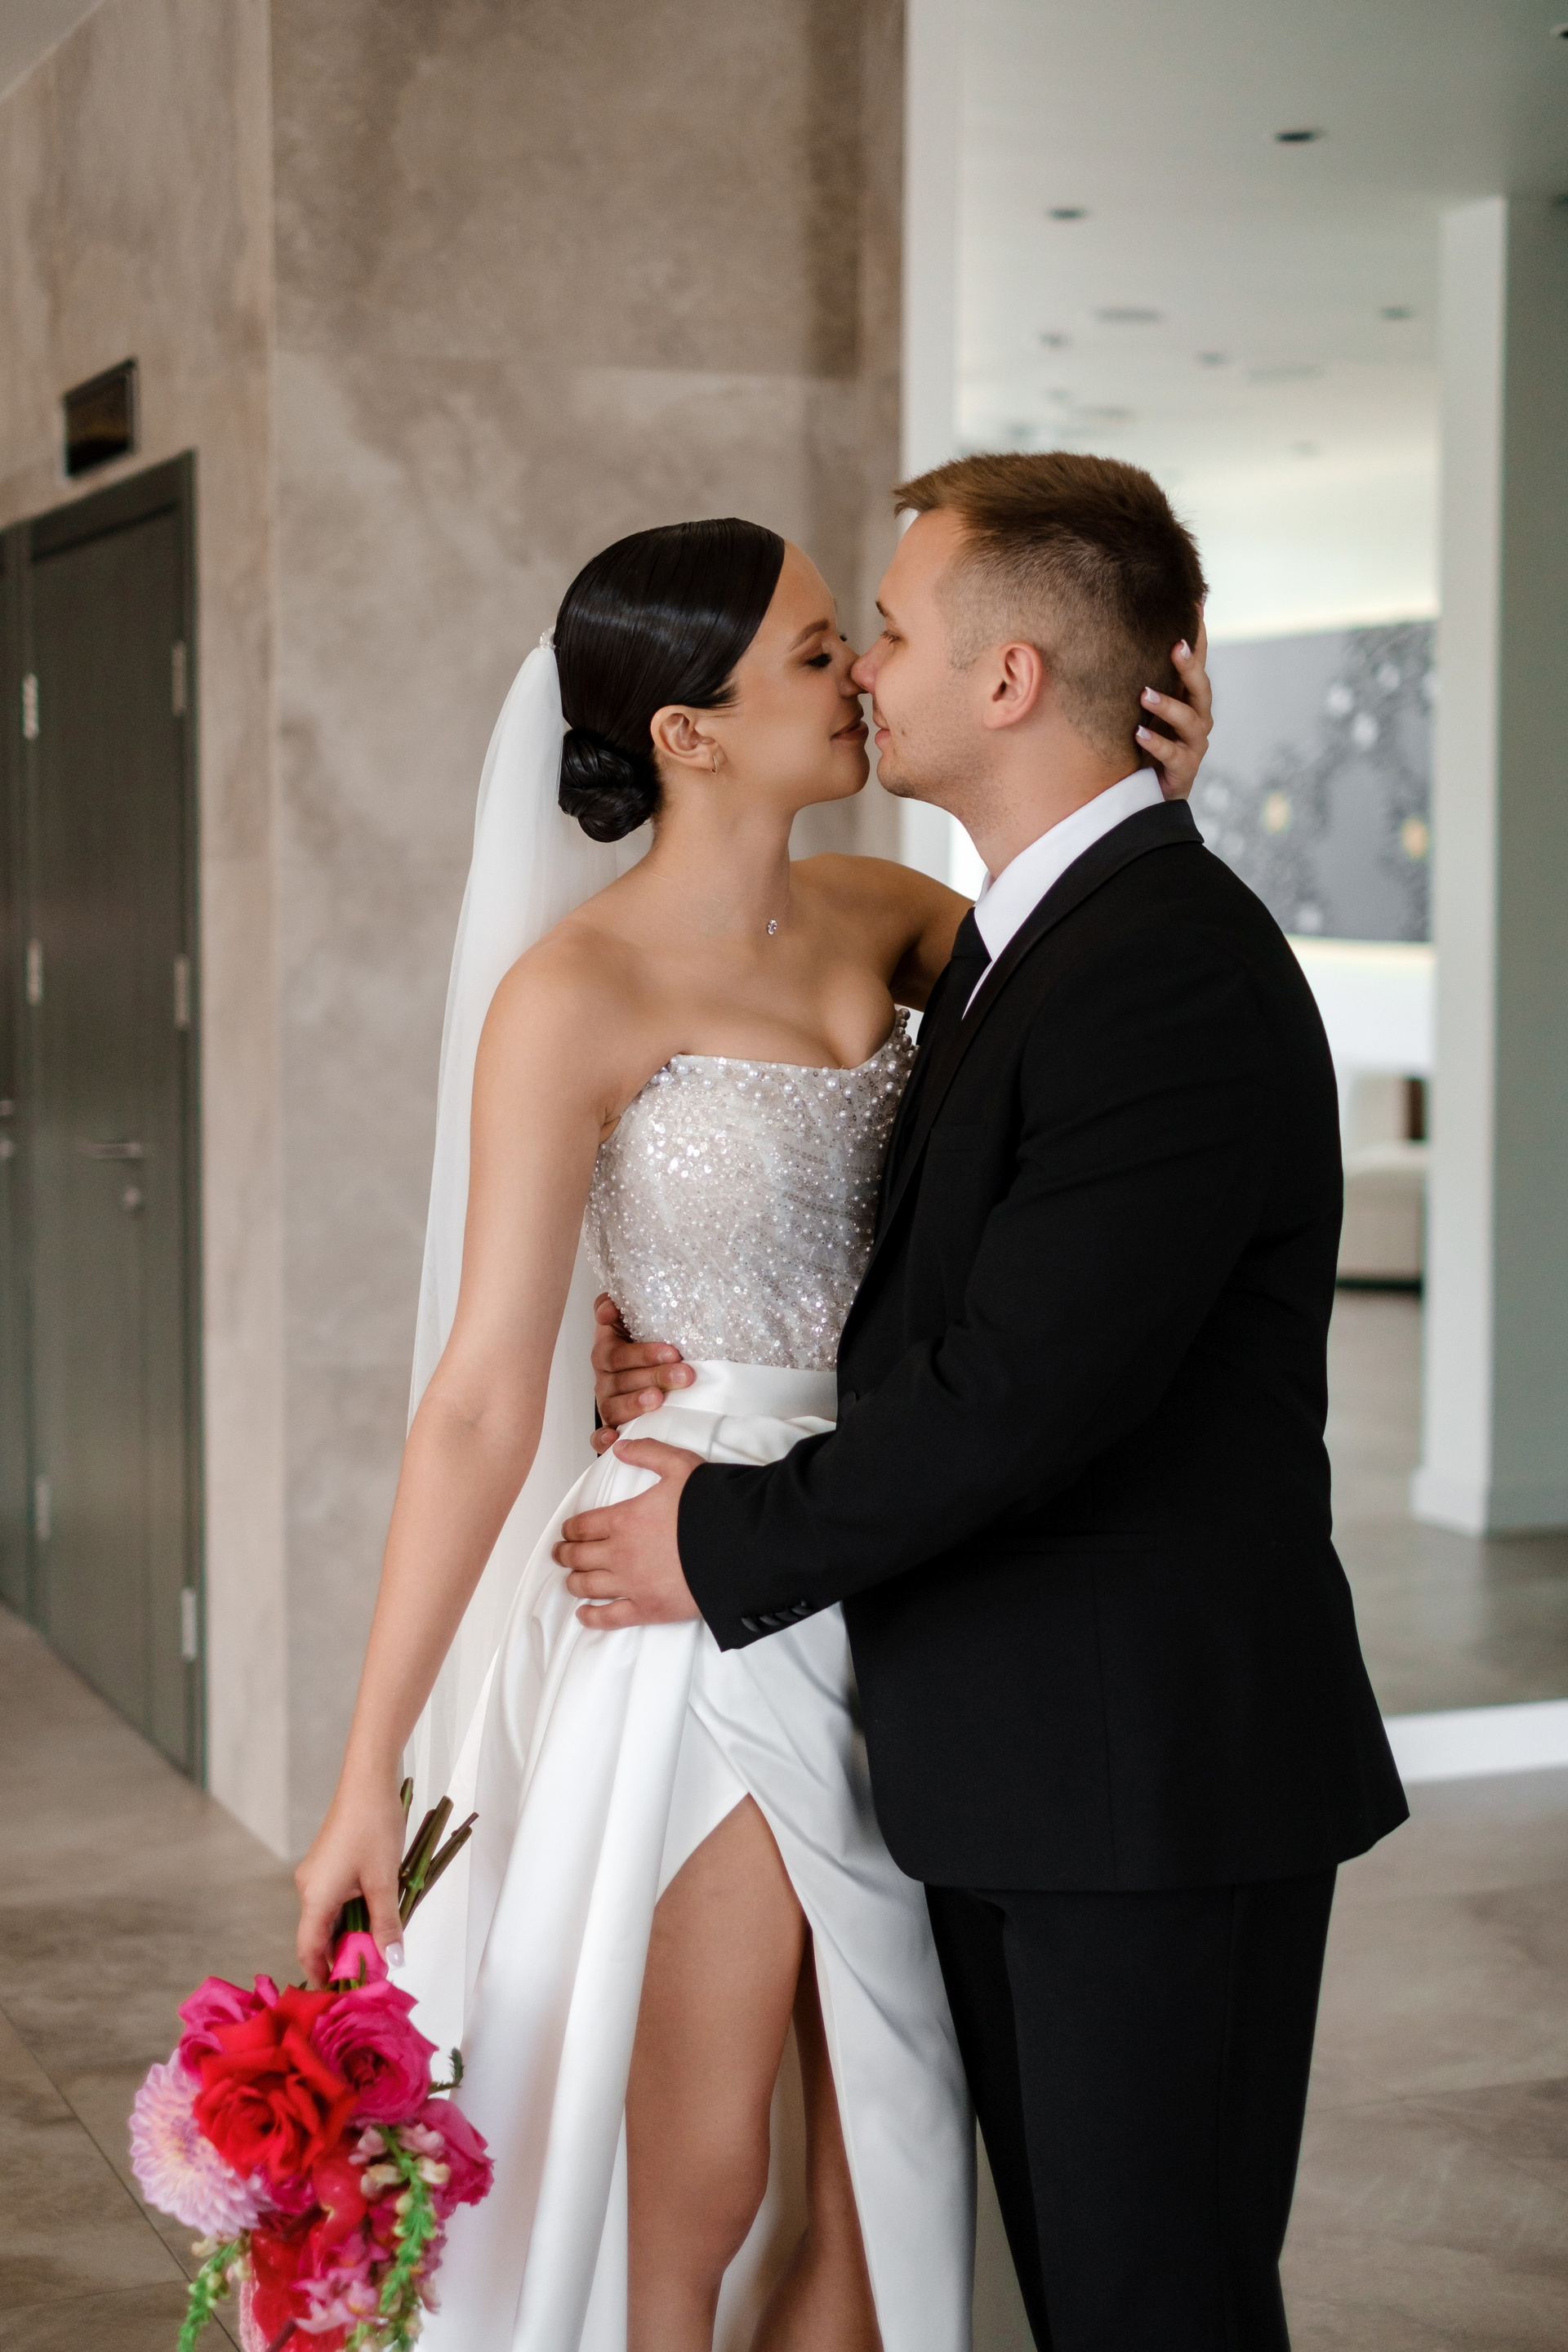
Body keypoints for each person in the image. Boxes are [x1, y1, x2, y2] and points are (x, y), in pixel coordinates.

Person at [292, 501, 1218, 2351]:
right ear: (688, 734)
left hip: (917, 1563)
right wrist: (363, 1772)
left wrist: (1154, 802)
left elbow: (1086, 1009)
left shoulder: (903, 923)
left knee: (890, 2157)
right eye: (816, 651)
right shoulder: (575, 994)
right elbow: (477, 1396)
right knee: (699, 2178)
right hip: (691, 1607)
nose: (863, 673)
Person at [559, 454, 1410, 2352]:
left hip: (1146, 1778)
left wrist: (719, 1538)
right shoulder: (1034, 935)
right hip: (1026, 1758)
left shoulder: (1159, 967)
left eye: (888, 629)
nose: (865, 668)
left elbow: (1021, 1389)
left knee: (1154, 2305)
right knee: (1085, 2288)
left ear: (1009, 680)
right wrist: (691, 1338)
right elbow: (917, 1279)